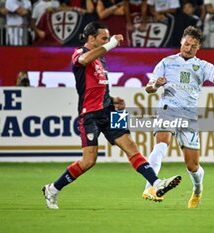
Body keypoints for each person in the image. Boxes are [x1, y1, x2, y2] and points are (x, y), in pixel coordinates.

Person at [42, 21, 181, 209]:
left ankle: (156, 184)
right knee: (89, 160)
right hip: (89, 114)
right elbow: (83, 61)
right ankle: (52, 189)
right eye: (104, 38)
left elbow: (100, 88)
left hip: (109, 110)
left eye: (108, 38)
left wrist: (114, 100)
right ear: (92, 38)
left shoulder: (102, 59)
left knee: (131, 146)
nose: (108, 41)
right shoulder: (79, 53)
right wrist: (111, 44)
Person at [142, 26, 214, 208]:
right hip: (168, 109)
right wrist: (156, 84)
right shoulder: (166, 62)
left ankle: (197, 190)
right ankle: (150, 187)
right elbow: (148, 88)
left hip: (188, 115)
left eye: (193, 46)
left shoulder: (203, 66)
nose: (188, 48)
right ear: (181, 41)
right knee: (161, 142)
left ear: (198, 48)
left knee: (192, 166)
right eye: (186, 44)